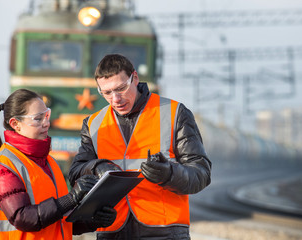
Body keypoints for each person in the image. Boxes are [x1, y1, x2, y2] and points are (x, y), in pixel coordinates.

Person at [69, 54, 212, 239]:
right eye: (106, 92)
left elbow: (201, 173)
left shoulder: (175, 113)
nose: (115, 99)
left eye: (121, 88)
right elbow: (75, 173)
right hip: (112, 231)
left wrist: (169, 174)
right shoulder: (93, 123)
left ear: (134, 78)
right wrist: (96, 167)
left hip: (165, 231)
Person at [0, 88, 117, 239]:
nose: (46, 123)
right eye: (38, 119)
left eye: (47, 115)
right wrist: (71, 199)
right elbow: (22, 217)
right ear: (15, 124)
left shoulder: (49, 162)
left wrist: (93, 221)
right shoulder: (2, 167)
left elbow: (59, 219)